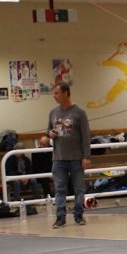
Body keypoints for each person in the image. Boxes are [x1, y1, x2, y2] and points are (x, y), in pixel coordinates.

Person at [47, 82, 92, 228]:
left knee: (78, 188)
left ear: (66, 93)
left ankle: (78, 215)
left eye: (57, 93)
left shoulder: (79, 113)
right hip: (58, 158)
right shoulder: (53, 113)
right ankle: (60, 217)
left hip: (76, 158)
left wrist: (86, 157)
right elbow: (48, 131)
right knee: (59, 189)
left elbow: (86, 136)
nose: (55, 96)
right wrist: (50, 134)